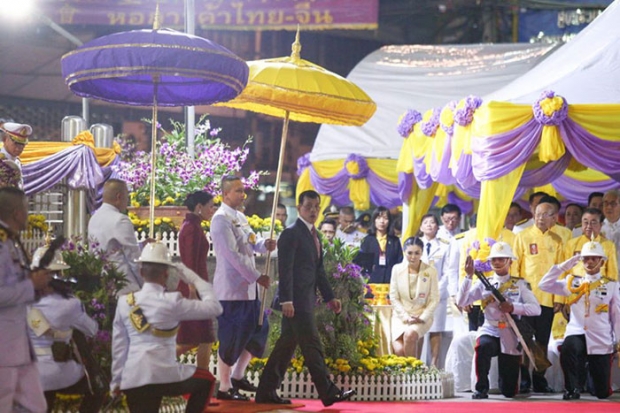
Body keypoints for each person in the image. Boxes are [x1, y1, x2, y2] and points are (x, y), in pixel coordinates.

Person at [255, 190, 357, 407]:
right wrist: (286, 300)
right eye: (308, 206)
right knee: (312, 345)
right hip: (295, 303)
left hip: (305, 301)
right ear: (299, 208)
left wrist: (330, 298)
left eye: (316, 206)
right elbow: (285, 269)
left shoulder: (314, 235)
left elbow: (318, 271)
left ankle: (265, 391)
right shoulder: (291, 233)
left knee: (285, 348)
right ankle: (328, 392)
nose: (313, 211)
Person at [110, 242, 223, 413]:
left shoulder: (125, 302)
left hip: (134, 376)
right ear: (166, 274)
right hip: (165, 376)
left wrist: (116, 381)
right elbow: (215, 308)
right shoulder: (172, 302)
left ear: (141, 273)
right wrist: (193, 277)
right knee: (206, 380)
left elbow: (119, 346)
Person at [210, 176, 276, 401]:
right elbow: (232, 255)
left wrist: (262, 244)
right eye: (238, 191)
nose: (242, 195)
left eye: (243, 190)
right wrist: (256, 276)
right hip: (231, 289)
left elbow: (250, 242)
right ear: (225, 194)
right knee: (231, 336)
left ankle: (238, 376)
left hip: (249, 289)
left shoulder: (240, 216)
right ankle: (225, 387)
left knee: (259, 329)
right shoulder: (220, 219)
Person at [458, 242, 542, 399]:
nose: (497, 262)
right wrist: (468, 277)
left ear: (510, 261)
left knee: (509, 391)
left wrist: (513, 307)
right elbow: (462, 301)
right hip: (490, 328)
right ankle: (481, 387)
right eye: (494, 259)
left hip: (511, 332)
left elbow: (536, 309)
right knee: (482, 346)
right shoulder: (483, 283)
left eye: (501, 259)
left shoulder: (521, 284)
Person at [539, 241, 620, 400]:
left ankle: (591, 379)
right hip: (576, 331)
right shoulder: (572, 282)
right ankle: (571, 388)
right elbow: (544, 285)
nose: (589, 262)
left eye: (593, 259)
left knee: (601, 393)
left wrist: (618, 341)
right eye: (586, 259)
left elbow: (616, 315)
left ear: (601, 262)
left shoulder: (611, 285)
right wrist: (562, 267)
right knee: (569, 347)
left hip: (600, 337)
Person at [27, 245, 104, 413]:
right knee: (98, 387)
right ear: (59, 275)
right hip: (59, 371)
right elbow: (92, 330)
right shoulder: (69, 304)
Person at [0, 187, 50, 413]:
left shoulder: (10, 242)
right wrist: (31, 285)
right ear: (16, 212)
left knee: (35, 406)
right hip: (4, 348)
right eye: (26, 209)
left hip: (18, 346)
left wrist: (36, 288)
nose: (29, 215)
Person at [513, 199, 563, 393]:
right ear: (533, 214)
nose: (541, 218)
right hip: (526, 300)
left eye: (546, 215)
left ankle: (539, 380)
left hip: (548, 299)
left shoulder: (557, 240)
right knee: (525, 340)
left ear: (553, 218)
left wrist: (559, 299)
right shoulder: (522, 237)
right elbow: (515, 268)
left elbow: (560, 272)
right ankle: (524, 379)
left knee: (542, 340)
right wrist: (516, 296)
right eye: (538, 214)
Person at [176, 191, 218, 370]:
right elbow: (189, 261)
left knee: (204, 339)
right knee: (194, 338)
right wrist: (192, 290)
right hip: (193, 290)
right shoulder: (191, 228)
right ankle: (158, 360)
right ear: (199, 207)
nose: (213, 210)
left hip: (197, 288)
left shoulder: (193, 225)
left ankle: (203, 382)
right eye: (211, 206)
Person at [88, 179, 143, 295]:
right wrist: (144, 284)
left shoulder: (94, 218)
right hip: (123, 285)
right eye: (127, 197)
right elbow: (133, 258)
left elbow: (109, 246)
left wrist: (142, 244)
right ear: (119, 197)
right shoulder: (120, 220)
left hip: (102, 282)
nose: (127, 202)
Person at [390, 237, 440, 358]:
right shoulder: (397, 269)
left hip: (421, 316)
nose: (413, 256)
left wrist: (423, 317)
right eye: (410, 253)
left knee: (410, 334)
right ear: (404, 252)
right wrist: (405, 317)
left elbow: (434, 298)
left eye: (417, 253)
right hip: (401, 316)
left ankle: (412, 373)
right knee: (399, 351)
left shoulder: (431, 271)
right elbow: (394, 296)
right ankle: (412, 372)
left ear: (422, 253)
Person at [418, 213, 449, 368]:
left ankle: (434, 364)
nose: (429, 225)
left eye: (432, 222)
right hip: (417, 295)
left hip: (438, 294)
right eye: (426, 222)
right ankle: (417, 363)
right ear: (421, 227)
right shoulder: (414, 245)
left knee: (436, 329)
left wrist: (437, 292)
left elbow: (447, 272)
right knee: (417, 328)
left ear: (437, 227)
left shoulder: (444, 246)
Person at [359, 206, 403, 284]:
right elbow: (363, 264)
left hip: (391, 281)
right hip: (372, 281)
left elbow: (399, 262)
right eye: (378, 218)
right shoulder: (367, 240)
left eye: (385, 218)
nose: (382, 221)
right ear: (374, 220)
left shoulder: (395, 241)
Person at [0, 122, 32, 189]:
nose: (19, 148)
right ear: (5, 139)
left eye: (22, 144)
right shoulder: (2, 161)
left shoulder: (16, 161)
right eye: (16, 143)